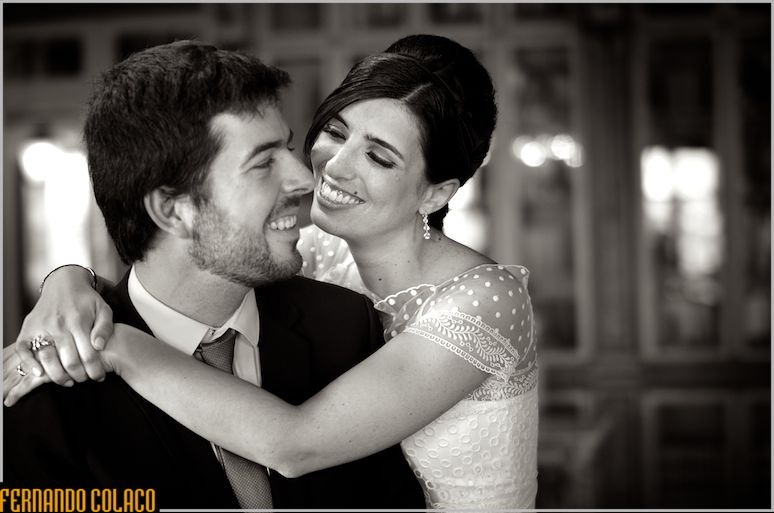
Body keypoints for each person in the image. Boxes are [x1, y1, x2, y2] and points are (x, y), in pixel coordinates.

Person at [6, 35, 539, 509]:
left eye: (380, 157)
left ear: (437, 194)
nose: (321, 171)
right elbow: (194, 253)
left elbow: (297, 444)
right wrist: (67, 280)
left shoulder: (413, 312)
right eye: (335, 131)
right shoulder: (318, 256)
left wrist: (115, 344)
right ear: (171, 208)